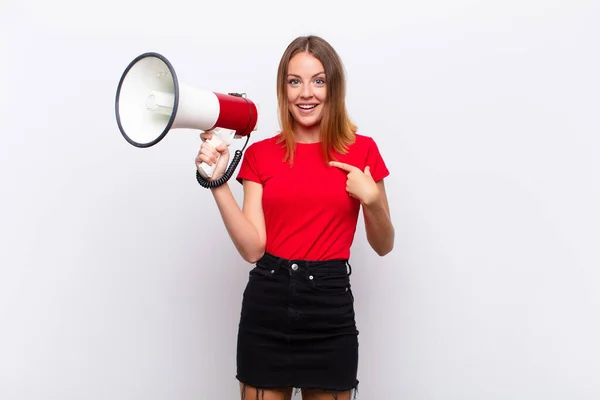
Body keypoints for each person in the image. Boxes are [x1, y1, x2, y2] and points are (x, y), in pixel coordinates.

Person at [195, 35, 394, 400]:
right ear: (283, 89)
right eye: (294, 81)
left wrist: (373, 201)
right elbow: (253, 248)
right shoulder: (260, 155)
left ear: (333, 87)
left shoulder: (363, 150)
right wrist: (216, 183)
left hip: (330, 307)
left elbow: (383, 245)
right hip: (268, 301)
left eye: (318, 80)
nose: (307, 93)